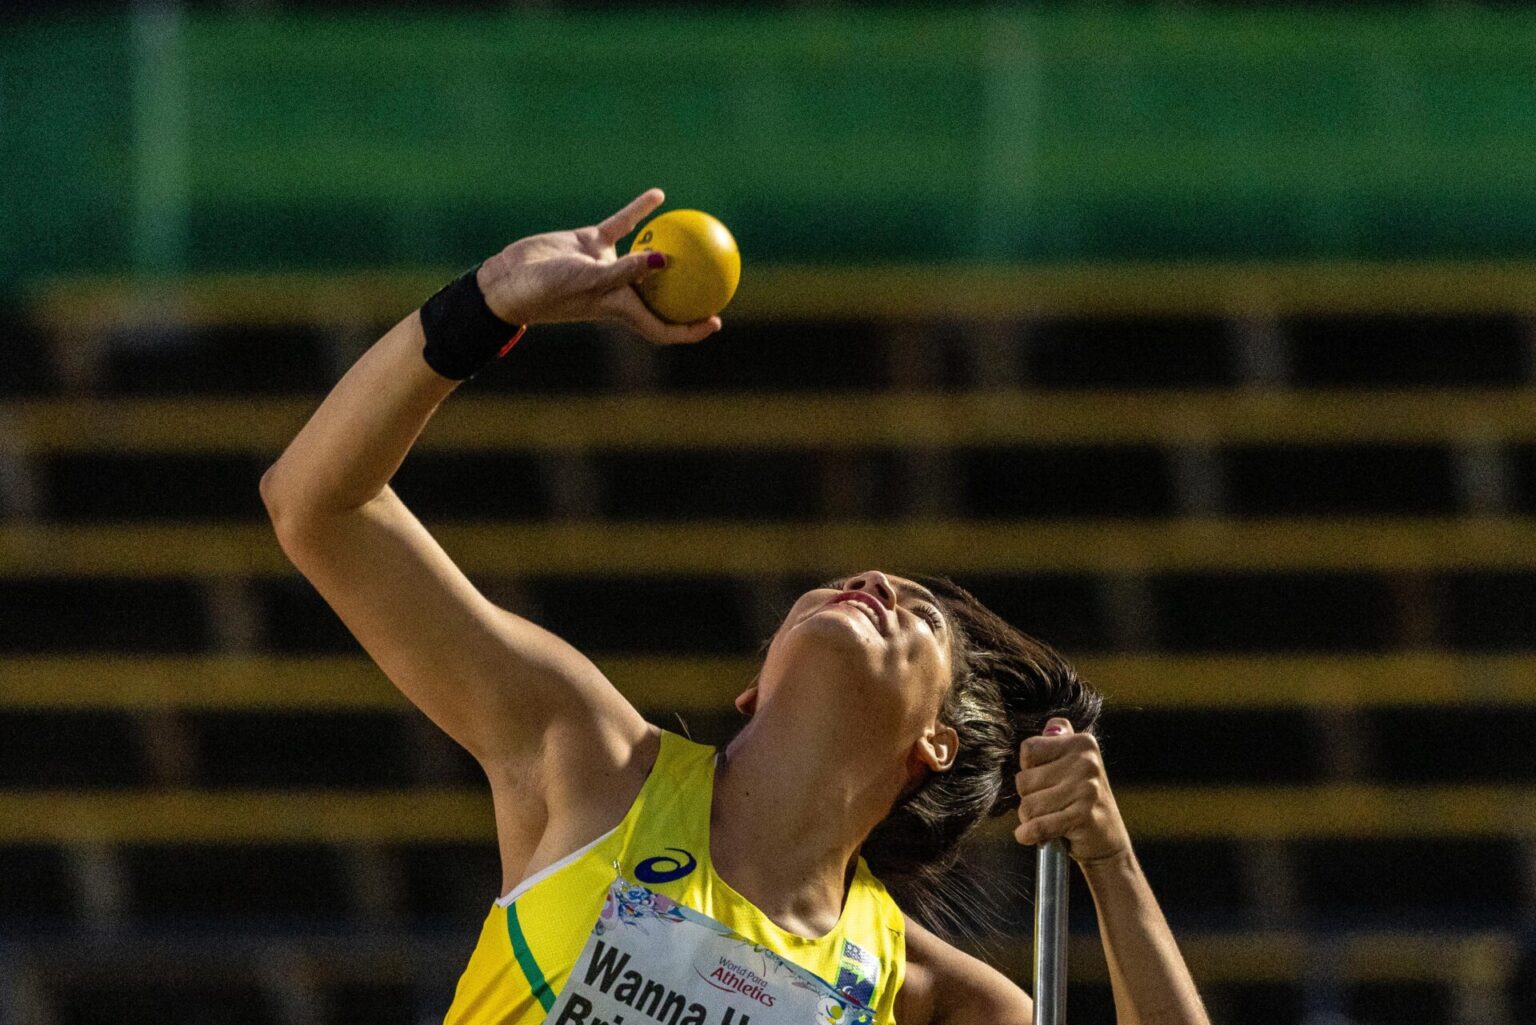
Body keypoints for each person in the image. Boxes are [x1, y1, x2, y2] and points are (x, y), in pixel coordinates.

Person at [260, 189, 1210, 1025]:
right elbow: (316, 505)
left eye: (918, 615)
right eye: (845, 586)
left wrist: (1112, 864)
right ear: (756, 686)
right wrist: (491, 300)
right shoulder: (591, 763)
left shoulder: (927, 995)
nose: (873, 584)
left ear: (936, 744)